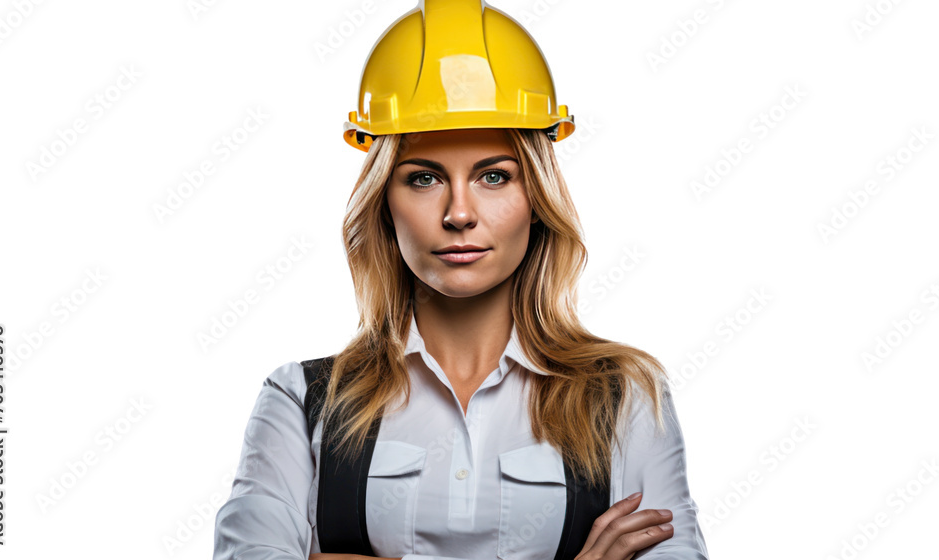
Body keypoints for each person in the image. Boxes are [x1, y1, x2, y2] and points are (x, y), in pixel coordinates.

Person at [213, 1, 709, 559]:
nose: (459, 213)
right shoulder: (300, 402)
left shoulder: (625, 396)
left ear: (537, 200)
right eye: (423, 178)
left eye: (494, 176)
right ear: (383, 204)